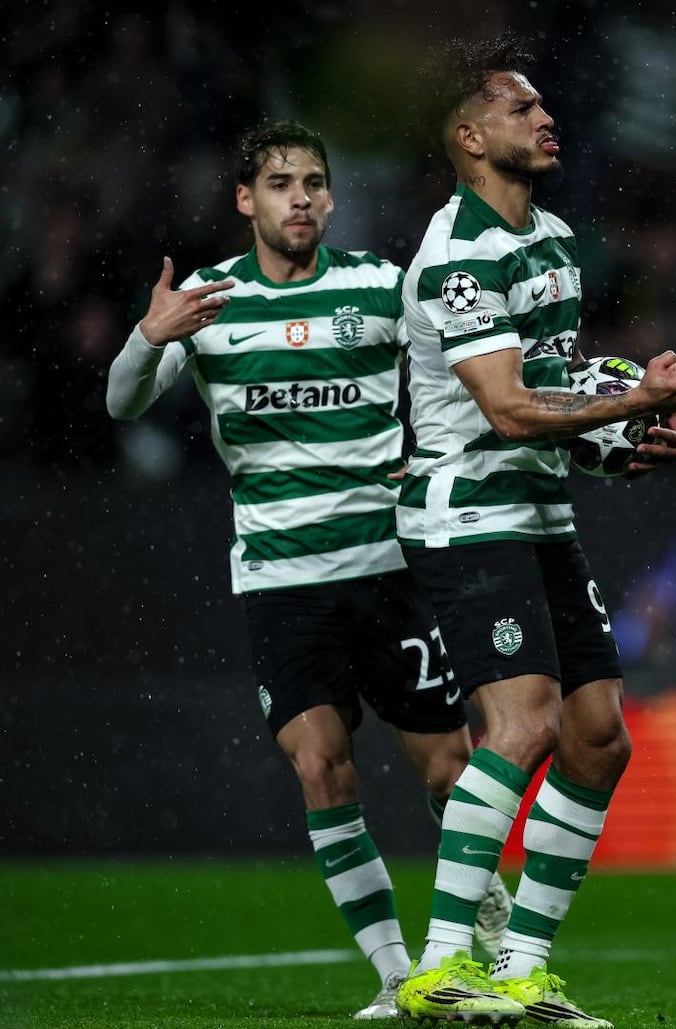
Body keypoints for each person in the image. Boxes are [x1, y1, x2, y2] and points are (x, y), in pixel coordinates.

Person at [104, 119, 513, 1021]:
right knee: (322, 768)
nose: (301, 197)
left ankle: (491, 931)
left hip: (387, 569)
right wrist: (148, 332)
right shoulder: (205, 300)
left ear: (331, 197)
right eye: (281, 183)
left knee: (449, 768)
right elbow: (121, 401)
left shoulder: (378, 287)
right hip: (281, 580)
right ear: (246, 200)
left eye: (314, 182)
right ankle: (396, 974)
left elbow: (455, 376)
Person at [391, 36, 676, 1029]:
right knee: (519, 727)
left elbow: (558, 405)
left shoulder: (554, 239)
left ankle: (522, 968)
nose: (545, 119)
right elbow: (512, 413)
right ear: (468, 137)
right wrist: (622, 406)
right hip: (465, 511)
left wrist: (635, 432)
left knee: (598, 739)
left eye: (543, 106)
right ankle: (440, 967)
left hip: (536, 514)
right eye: (521, 110)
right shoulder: (457, 257)